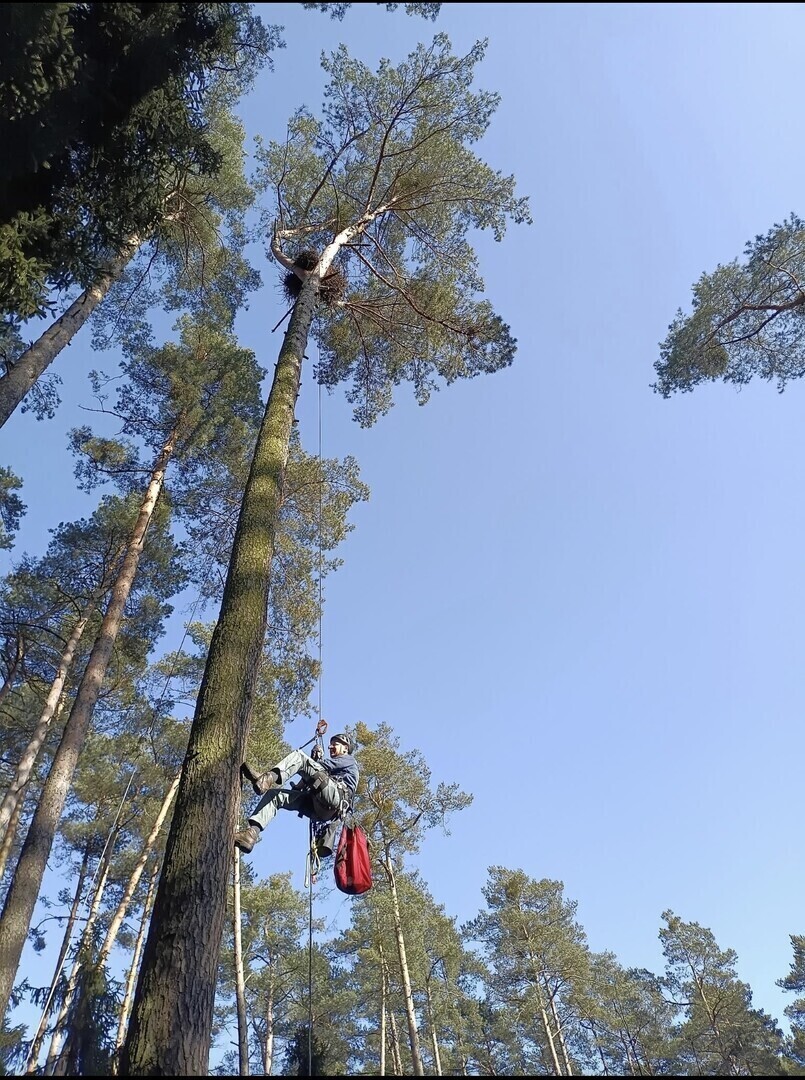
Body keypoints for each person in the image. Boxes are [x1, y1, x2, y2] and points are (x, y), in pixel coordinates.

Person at [234, 732, 359, 854]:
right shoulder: (337, 768)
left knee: (299, 757)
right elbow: (312, 778)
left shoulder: (349, 760)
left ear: (345, 748)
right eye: (331, 744)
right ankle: (250, 835)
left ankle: (266, 779)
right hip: (320, 809)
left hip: (334, 797)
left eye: (335, 744)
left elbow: (320, 766)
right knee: (275, 796)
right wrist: (299, 787)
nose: (330, 747)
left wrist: (313, 760)